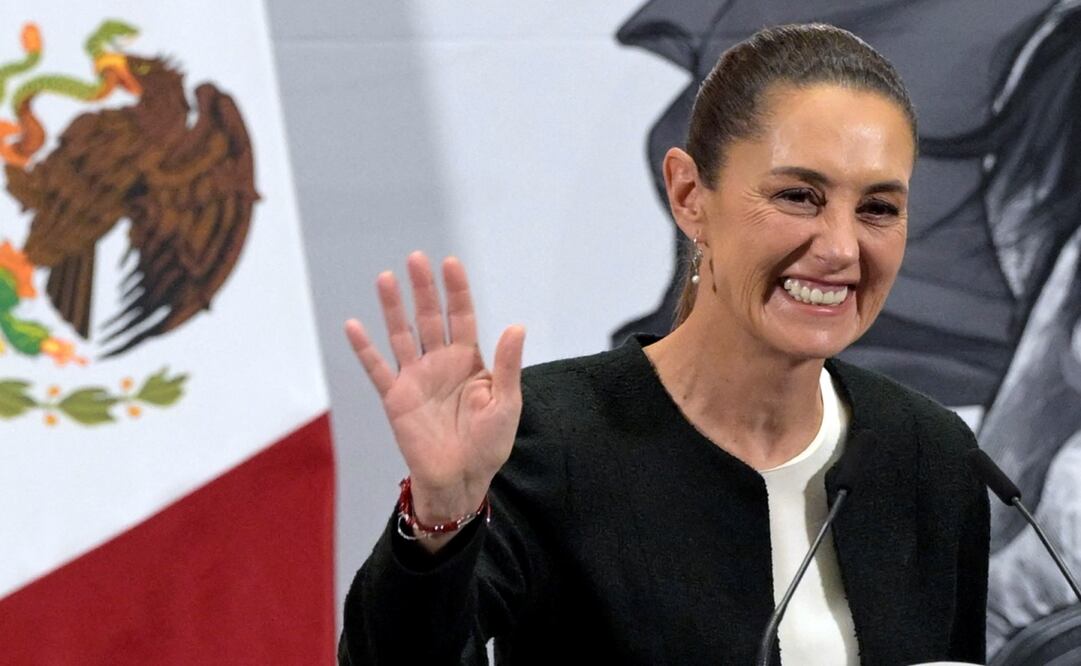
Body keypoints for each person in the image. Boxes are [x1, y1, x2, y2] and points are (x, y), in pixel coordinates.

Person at [339, 23, 989, 665]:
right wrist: (442, 516)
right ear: (688, 196)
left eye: (877, 208)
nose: (841, 248)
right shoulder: (542, 437)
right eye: (798, 196)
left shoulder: (929, 453)